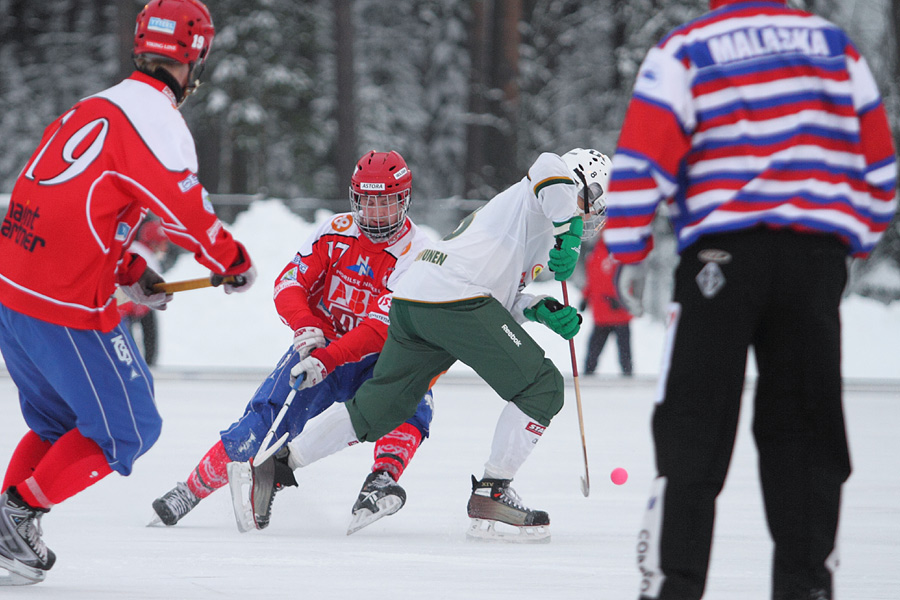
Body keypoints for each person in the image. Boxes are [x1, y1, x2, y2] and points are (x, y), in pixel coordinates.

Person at [601, 1, 897, 598]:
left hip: (722, 257)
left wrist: (624, 248)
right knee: (807, 433)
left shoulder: (688, 48)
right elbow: (879, 166)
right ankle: (807, 585)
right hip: (814, 257)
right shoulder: (835, 47)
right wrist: (852, 241)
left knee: (694, 427)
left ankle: (672, 585)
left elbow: (642, 158)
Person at [0, 0, 258, 586]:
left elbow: (71, 202)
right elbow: (187, 211)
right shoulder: (157, 120)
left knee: (56, 425)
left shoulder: (95, 107)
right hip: (63, 305)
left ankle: (9, 522)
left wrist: (127, 267)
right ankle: (15, 516)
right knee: (130, 428)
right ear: (194, 60)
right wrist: (231, 261)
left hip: (12, 291)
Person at [240, 148, 611, 543]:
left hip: (417, 297)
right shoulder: (545, 188)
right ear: (581, 185)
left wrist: (539, 309)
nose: (591, 217)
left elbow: (500, 295)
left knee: (382, 406)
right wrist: (569, 235)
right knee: (543, 386)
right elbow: (548, 165)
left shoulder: (534, 224)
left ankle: (278, 465)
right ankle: (492, 492)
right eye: (593, 203)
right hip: (457, 298)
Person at [151, 150, 435, 536]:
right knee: (266, 415)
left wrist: (330, 357)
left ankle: (382, 477)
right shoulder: (335, 231)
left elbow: (379, 328)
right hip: (323, 345)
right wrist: (304, 326)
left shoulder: (418, 254)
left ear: (403, 201)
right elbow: (289, 284)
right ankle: (190, 490)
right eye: (366, 202)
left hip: (379, 357)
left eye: (384, 203)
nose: (374, 214)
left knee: (416, 394)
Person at [118, 219, 171, 366]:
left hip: (125, 307)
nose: (165, 249)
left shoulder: (136, 250)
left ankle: (145, 362)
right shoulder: (144, 257)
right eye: (162, 244)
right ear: (153, 243)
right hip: (121, 310)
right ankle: (147, 364)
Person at [580, 240, 632, 377]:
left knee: (625, 354)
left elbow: (630, 280)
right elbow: (591, 281)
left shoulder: (622, 254)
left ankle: (629, 384)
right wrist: (585, 297)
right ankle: (586, 381)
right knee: (593, 352)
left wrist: (621, 300)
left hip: (620, 315)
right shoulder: (594, 255)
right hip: (601, 315)